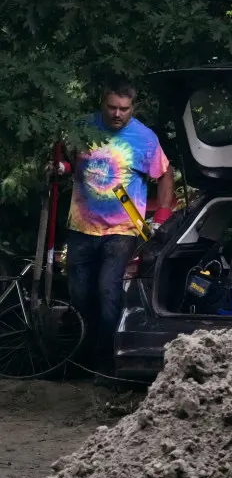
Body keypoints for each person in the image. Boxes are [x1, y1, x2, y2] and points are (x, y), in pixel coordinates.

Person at [65, 77, 174, 370]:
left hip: (123, 230)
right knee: (78, 292)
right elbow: (64, 159)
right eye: (112, 107)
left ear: (132, 108)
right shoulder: (82, 128)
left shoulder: (145, 138)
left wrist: (161, 216)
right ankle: (79, 354)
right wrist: (59, 168)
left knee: (108, 290)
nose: (117, 114)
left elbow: (164, 174)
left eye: (124, 109)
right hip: (80, 227)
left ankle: (105, 360)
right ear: (102, 102)